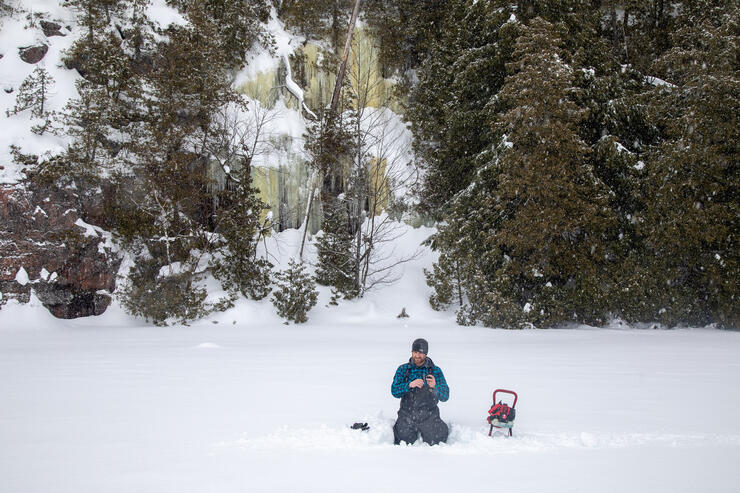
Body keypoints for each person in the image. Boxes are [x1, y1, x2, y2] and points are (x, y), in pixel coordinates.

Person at [391, 338, 449, 445]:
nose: (417, 355)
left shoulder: (435, 371)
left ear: (426, 353)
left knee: (436, 440)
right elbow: (394, 391)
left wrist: (435, 387)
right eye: (415, 352)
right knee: (403, 441)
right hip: (406, 414)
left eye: (421, 353)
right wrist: (409, 385)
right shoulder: (403, 369)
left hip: (429, 415)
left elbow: (445, 396)